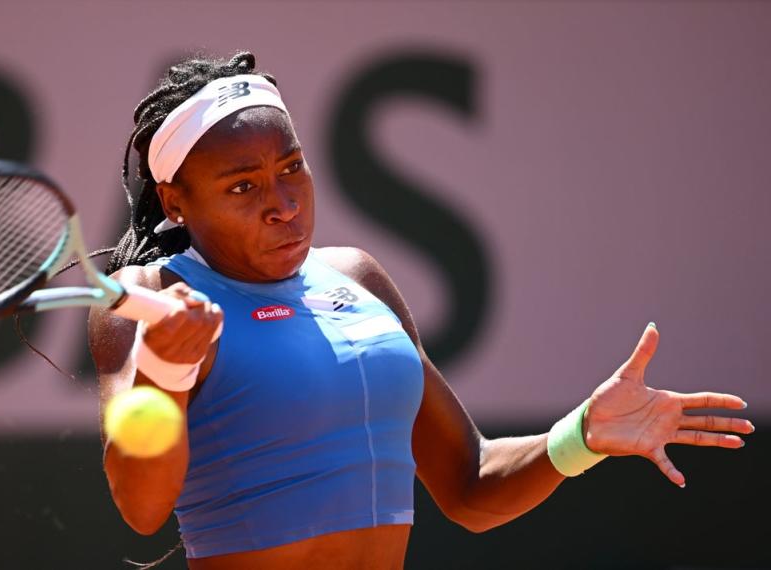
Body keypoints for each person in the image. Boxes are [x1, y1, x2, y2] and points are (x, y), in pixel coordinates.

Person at [87, 52, 753, 570]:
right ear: (175, 202)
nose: (283, 203)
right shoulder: (148, 299)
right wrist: (164, 373)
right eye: (242, 185)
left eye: (291, 167)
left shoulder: (356, 278)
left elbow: (469, 485)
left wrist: (580, 434)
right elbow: (140, 507)